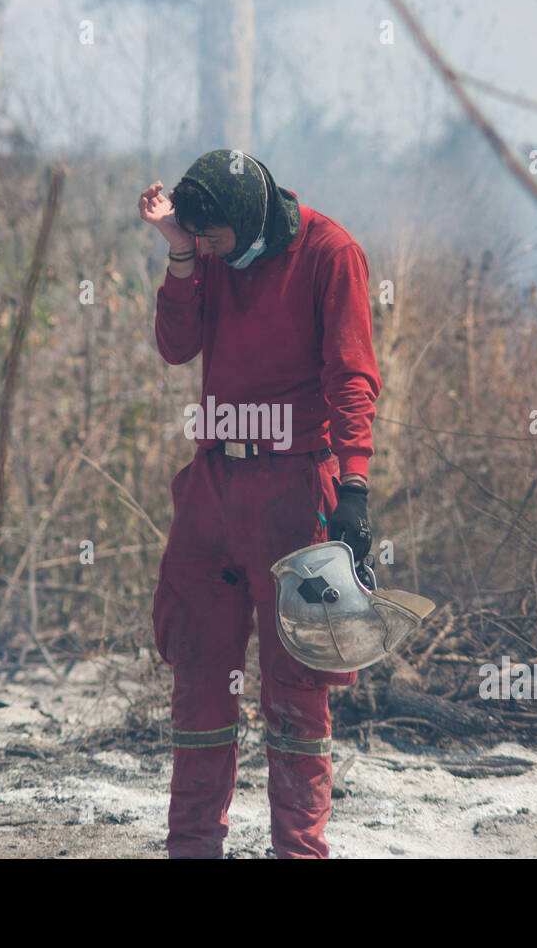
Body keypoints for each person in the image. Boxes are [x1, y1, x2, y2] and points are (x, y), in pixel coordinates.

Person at [138, 149, 381, 858]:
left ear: (247, 223)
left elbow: (353, 377)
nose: (205, 247)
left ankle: (298, 852)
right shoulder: (207, 252)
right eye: (198, 236)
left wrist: (356, 489)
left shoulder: (330, 254)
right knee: (199, 674)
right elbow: (176, 346)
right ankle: (192, 848)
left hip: (296, 490)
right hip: (213, 489)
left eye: (210, 238)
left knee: (297, 688)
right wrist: (181, 255)